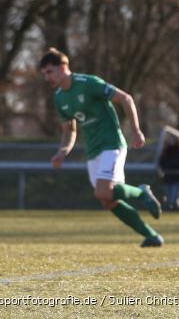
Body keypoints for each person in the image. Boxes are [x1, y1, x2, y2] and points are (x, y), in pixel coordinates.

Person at [40, 48, 163, 247]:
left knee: (103, 192)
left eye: (49, 72)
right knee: (108, 201)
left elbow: (126, 98)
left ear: (63, 67)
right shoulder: (59, 98)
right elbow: (69, 131)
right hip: (93, 150)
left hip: (111, 143)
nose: (47, 78)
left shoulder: (88, 84)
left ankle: (141, 193)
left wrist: (136, 131)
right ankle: (151, 235)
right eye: (44, 74)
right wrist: (63, 151)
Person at [157, 134, 179, 211]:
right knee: (167, 195)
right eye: (169, 139)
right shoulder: (165, 150)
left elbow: (178, 162)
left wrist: (168, 165)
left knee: (175, 196)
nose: (170, 141)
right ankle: (169, 208)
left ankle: (176, 209)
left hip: (176, 177)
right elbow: (161, 162)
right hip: (167, 177)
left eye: (172, 139)